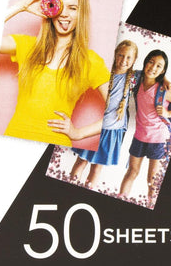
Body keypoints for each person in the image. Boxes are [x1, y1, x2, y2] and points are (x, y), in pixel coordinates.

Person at [0, 0, 110, 146]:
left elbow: (119, 113)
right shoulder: (27, 46)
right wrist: (21, 6)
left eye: (73, 8)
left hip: (54, 146)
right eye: (60, 6)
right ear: (50, 8)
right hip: (13, 138)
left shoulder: (90, 62)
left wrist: (79, 133)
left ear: (81, 14)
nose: (64, 14)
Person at [49, 40, 139, 187]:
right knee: (81, 161)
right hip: (95, 127)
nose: (124, 60)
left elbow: (154, 77)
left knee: (97, 168)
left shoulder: (135, 78)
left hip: (113, 132)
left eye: (129, 57)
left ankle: (86, 192)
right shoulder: (104, 72)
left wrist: (166, 80)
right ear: (115, 54)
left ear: (135, 59)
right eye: (121, 55)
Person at [119, 50, 171, 203]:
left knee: (152, 181)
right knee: (131, 172)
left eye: (159, 66)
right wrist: (165, 77)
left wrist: (169, 114)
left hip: (159, 140)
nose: (153, 67)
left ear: (163, 71)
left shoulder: (164, 91)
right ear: (145, 62)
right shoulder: (137, 81)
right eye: (151, 62)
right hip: (139, 137)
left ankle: (150, 207)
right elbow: (127, 71)